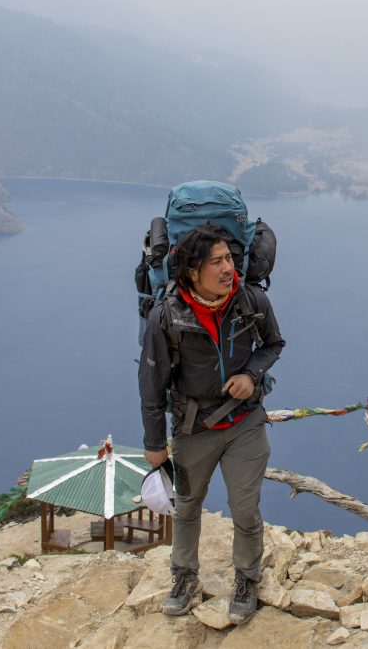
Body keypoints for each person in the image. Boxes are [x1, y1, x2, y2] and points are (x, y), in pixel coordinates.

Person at [139, 224, 285, 624]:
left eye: (229, 259)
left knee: (245, 508)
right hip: (193, 427)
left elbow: (273, 344)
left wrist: (252, 375)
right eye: (216, 262)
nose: (228, 269)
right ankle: (184, 578)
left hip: (245, 422)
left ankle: (246, 580)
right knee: (187, 507)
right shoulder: (166, 315)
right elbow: (152, 384)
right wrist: (154, 442)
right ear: (191, 272)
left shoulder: (249, 299)